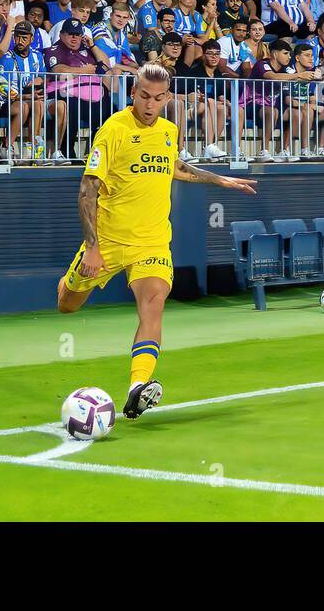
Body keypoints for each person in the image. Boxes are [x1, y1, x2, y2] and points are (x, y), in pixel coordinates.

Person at [56, 63, 257, 419]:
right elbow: (87, 189)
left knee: (154, 304)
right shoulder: (112, 131)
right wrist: (92, 246)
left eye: (158, 98)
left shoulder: (167, 130)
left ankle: (137, 387)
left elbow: (174, 166)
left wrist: (220, 181)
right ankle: (71, 280)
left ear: (168, 98)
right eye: (144, 96)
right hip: (110, 239)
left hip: (152, 241)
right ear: (133, 93)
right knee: (67, 304)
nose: (150, 104)